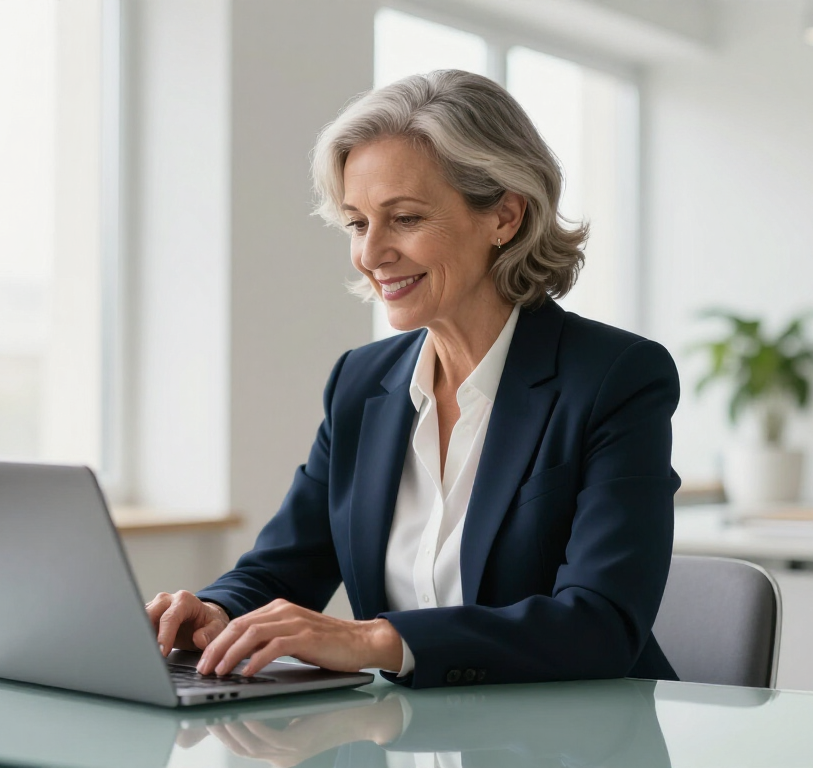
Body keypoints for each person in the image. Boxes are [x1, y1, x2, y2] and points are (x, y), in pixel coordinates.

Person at [148, 69, 680, 689]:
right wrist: (215, 610)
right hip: (410, 742)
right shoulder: (361, 382)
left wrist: (375, 639)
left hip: (576, 744)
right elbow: (281, 569)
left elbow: (600, 624)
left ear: (504, 216)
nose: (371, 254)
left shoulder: (615, 379)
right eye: (356, 223)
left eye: (403, 218)